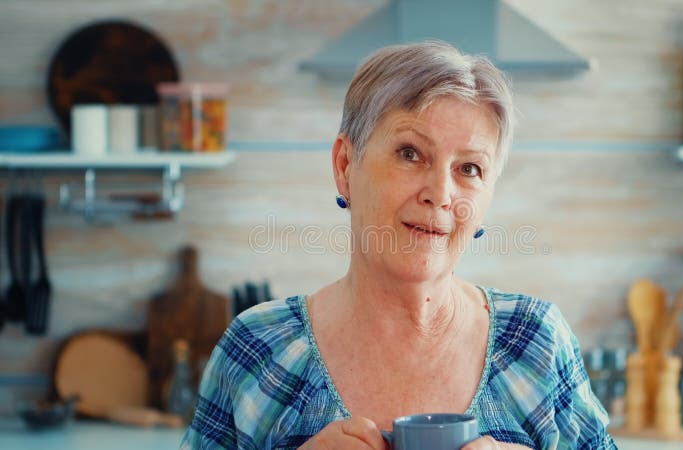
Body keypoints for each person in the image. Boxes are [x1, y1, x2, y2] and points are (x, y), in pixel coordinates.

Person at [181, 41, 616, 450]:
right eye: (410, 153)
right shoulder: (258, 349)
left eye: (469, 168)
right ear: (345, 165)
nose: (440, 193)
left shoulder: (536, 341)